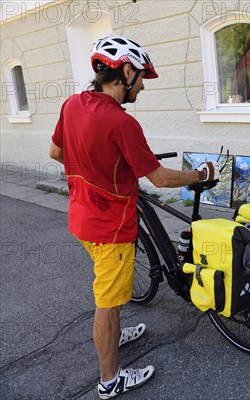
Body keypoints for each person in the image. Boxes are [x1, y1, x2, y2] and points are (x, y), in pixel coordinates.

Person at [49, 34, 218, 399]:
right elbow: (160, 177)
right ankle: (110, 381)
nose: (142, 86)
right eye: (140, 77)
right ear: (125, 71)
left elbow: (56, 152)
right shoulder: (122, 124)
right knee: (107, 306)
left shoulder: (72, 105)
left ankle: (113, 335)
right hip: (110, 229)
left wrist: (95, 171)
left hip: (81, 219)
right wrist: (200, 175)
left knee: (109, 292)